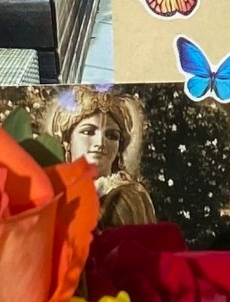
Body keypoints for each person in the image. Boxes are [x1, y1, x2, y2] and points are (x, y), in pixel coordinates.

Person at [45, 86, 158, 227]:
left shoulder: (128, 197)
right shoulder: (50, 194)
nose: (100, 143)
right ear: (68, 142)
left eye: (111, 136)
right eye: (88, 132)